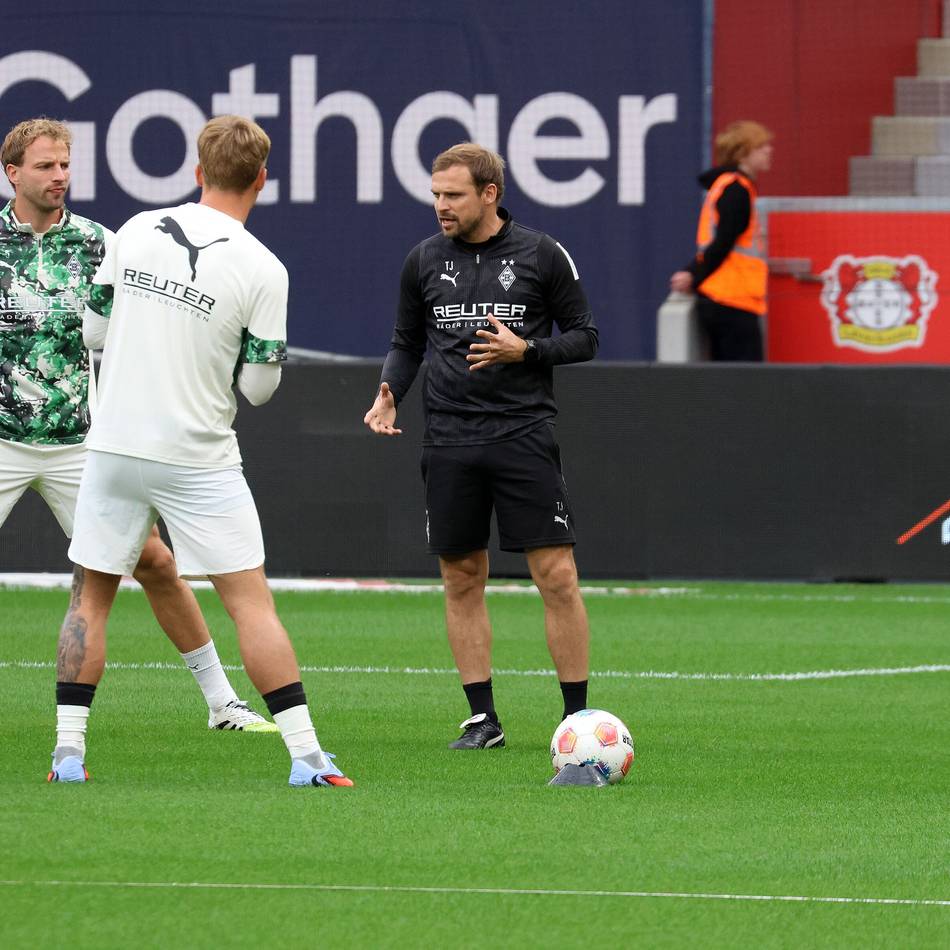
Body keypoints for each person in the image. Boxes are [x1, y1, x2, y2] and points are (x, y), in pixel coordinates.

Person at [48, 115, 352, 787]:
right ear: (262, 180)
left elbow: (94, 332)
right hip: (197, 455)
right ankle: (307, 757)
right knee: (250, 604)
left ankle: (68, 754)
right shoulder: (264, 269)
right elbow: (260, 389)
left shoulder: (135, 230)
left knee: (90, 597)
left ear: (196, 171)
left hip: (114, 446)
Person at [0, 117, 274, 734]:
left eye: (64, 164)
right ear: (12, 172)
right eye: (45, 166)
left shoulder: (103, 241)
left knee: (154, 564)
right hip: (2, 437)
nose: (59, 176)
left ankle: (221, 703)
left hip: (83, 441)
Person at [363, 142, 598, 750]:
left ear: (490, 194)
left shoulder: (541, 254)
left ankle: (576, 720)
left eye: (453, 195)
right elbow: (406, 343)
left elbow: (585, 336)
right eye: (436, 195)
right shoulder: (422, 259)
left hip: (522, 434)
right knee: (462, 577)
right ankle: (482, 719)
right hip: (448, 440)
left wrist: (528, 349)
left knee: (557, 576)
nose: (441, 205)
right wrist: (390, 391)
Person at [670, 120, 773, 361]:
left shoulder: (726, 186)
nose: (769, 150)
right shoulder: (737, 190)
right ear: (742, 154)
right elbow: (723, 242)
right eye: (761, 147)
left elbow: (720, 241)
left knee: (726, 376)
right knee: (743, 377)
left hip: (723, 297)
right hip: (731, 299)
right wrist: (693, 274)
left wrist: (692, 273)